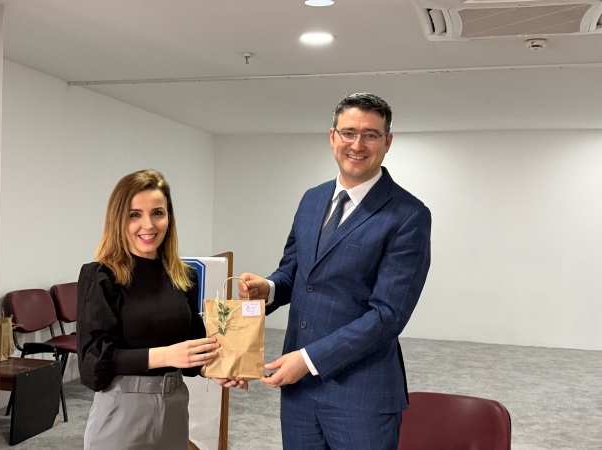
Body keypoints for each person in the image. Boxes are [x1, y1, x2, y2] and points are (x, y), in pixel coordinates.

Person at [239, 93, 432, 450]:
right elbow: (295, 270)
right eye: (348, 133)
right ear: (332, 137)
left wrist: (309, 360)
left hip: (361, 394)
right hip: (299, 391)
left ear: (387, 142)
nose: (357, 144)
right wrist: (269, 288)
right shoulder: (312, 199)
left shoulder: (409, 215)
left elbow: (388, 315)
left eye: (370, 135)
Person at [77, 169, 246, 450]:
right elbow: (93, 363)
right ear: (118, 219)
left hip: (175, 406)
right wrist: (167, 355)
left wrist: (212, 369)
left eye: (157, 213)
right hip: (122, 410)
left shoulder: (184, 276)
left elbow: (193, 345)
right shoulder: (101, 276)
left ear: (169, 217)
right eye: (135, 214)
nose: (148, 225)